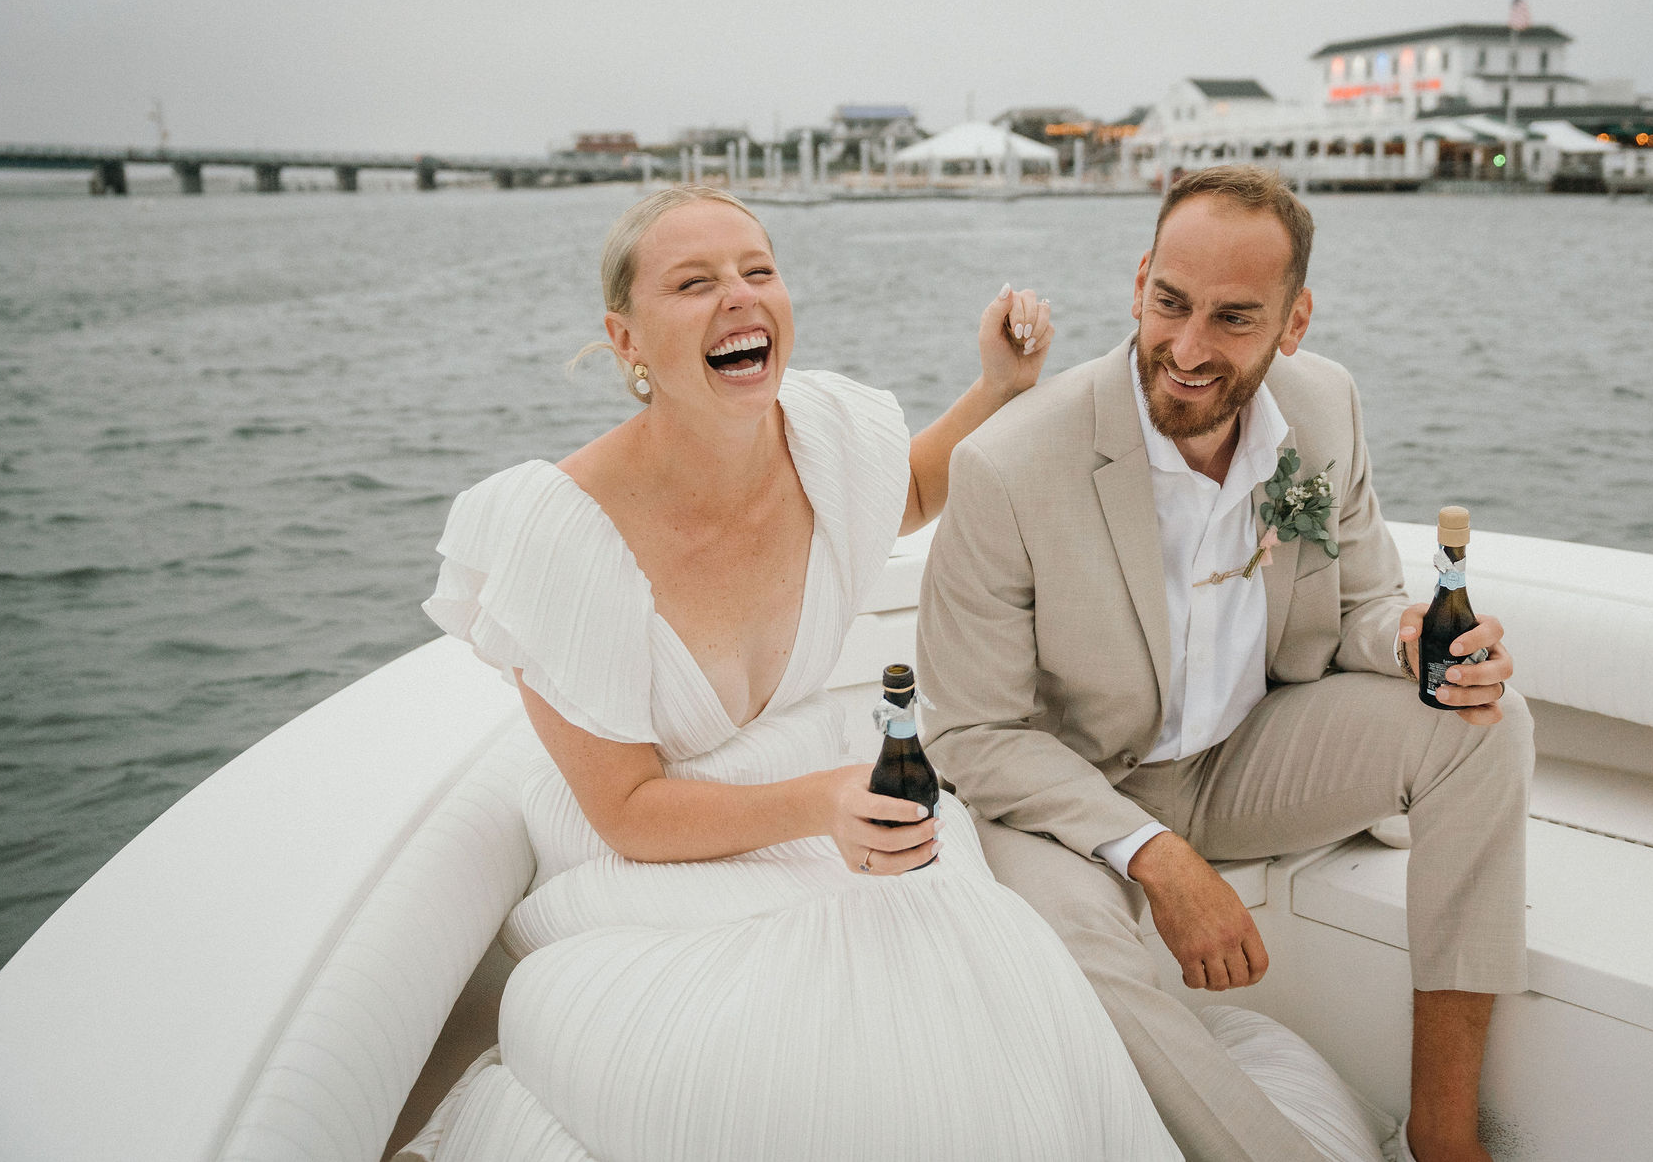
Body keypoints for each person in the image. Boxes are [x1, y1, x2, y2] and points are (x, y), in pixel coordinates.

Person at [410, 187, 1180, 1161]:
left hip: (824, 797)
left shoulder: (818, 431)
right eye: (694, 283)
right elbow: (628, 811)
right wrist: (825, 802)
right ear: (625, 336)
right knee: (818, 1076)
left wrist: (998, 385)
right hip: (651, 864)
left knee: (981, 1000)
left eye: (757, 271)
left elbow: (903, 491)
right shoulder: (559, 530)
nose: (737, 296)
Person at [916, 165, 1533, 1162]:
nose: (1188, 349)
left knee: (1479, 726)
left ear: (1292, 323)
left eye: (1233, 319)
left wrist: (1410, 640)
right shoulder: (1008, 465)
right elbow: (970, 733)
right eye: (1169, 304)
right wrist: (1155, 859)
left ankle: (1443, 1134)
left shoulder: (1323, 406)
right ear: (1136, 286)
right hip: (1068, 795)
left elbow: (1361, 607)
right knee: (1071, 953)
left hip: (1244, 753)